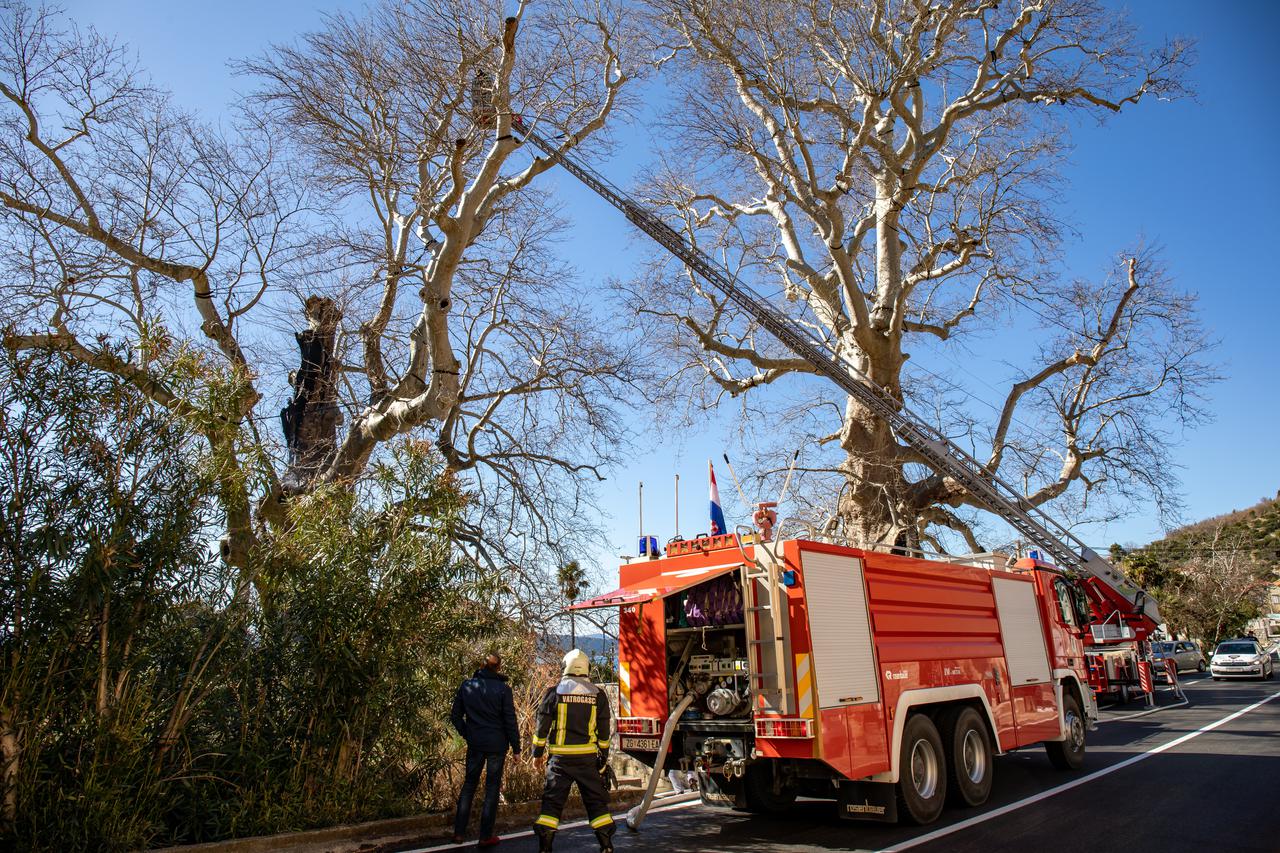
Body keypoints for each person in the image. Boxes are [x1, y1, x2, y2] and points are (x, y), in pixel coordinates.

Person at [531, 649, 615, 853]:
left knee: (552, 802)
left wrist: (537, 753)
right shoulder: (598, 695)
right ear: (586, 668)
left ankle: (545, 847)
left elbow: (542, 727)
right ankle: (606, 846)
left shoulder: (554, 693)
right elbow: (604, 732)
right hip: (587, 760)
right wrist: (603, 757)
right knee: (596, 802)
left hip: (560, 760)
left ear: (565, 667)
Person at [450, 652, 521, 847]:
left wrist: (468, 733)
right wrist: (516, 748)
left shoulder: (467, 686)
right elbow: (510, 720)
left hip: (476, 743)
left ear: (481, 666)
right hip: (497, 745)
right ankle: (485, 835)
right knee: (492, 788)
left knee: (469, 785)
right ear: (498, 668)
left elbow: (455, 716)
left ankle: (458, 833)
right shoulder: (503, 690)